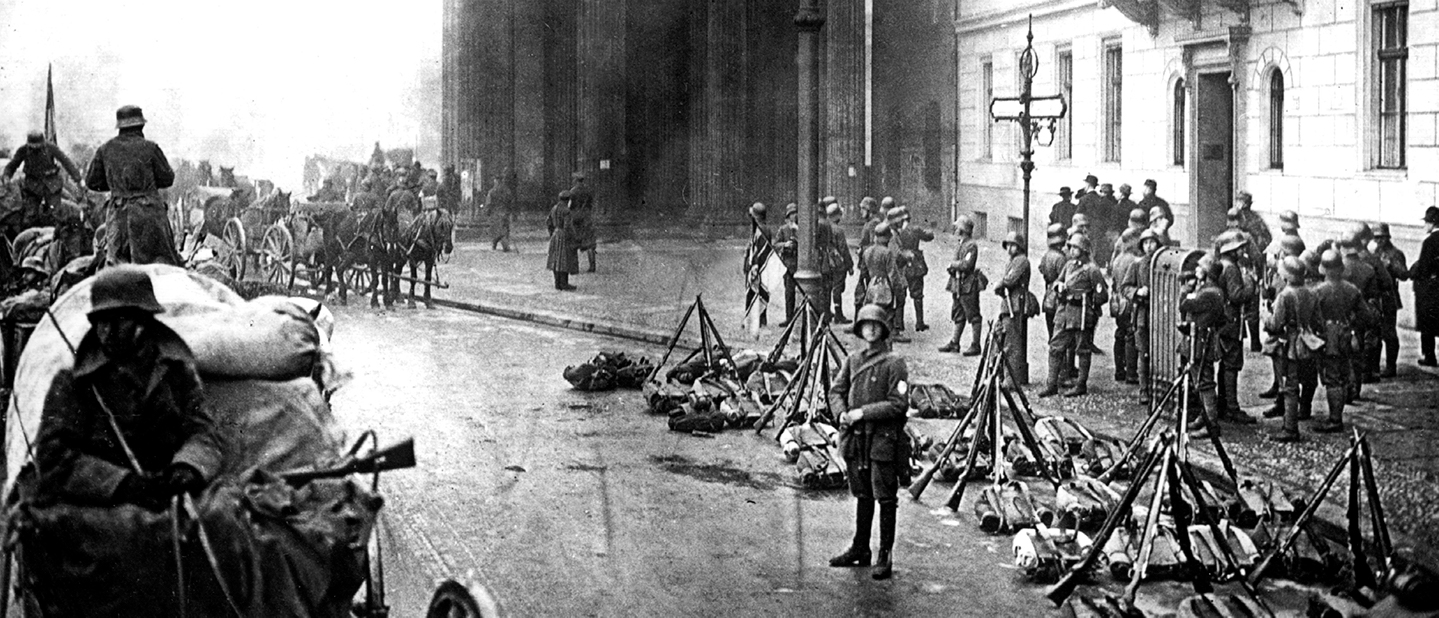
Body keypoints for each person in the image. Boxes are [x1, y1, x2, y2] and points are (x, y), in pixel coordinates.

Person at [35, 267, 222, 509]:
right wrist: (123, 484)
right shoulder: (73, 382)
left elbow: (203, 432)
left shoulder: (177, 372)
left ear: (143, 322)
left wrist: (187, 468)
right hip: (101, 501)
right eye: (102, 321)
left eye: (119, 320)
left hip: (168, 495)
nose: (108, 332)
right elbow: (53, 456)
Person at [828, 304, 910, 581]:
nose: (871, 329)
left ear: (884, 329)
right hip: (856, 439)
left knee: (885, 496)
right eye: (866, 324)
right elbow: (836, 390)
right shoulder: (852, 360)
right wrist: (841, 413)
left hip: (882, 440)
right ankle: (860, 548)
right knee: (862, 493)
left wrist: (862, 412)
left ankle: (884, 554)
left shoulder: (894, 363)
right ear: (860, 329)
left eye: (876, 324)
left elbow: (898, 404)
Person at [86, 106, 183, 267]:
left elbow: (92, 182)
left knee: (116, 268)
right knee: (166, 265)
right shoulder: (151, 148)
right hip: (149, 215)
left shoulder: (105, 149)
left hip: (119, 217)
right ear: (141, 126)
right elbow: (168, 179)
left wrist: (116, 187)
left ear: (119, 127)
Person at [1313, 249, 1375, 433]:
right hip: (1346, 334)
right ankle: (1340, 408)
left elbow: (1312, 317)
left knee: (1332, 379)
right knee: (1343, 371)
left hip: (1327, 337)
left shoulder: (1318, 291)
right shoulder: (1351, 289)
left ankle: (1334, 420)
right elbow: (1368, 317)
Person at [1040, 233, 1107, 397]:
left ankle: (1081, 385)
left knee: (1082, 350)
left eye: (1075, 247)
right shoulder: (1069, 266)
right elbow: (1057, 281)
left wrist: (1089, 301)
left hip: (1081, 314)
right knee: (1055, 346)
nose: (1072, 250)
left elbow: (1102, 295)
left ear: (1083, 249)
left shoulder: (1092, 270)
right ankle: (1051, 384)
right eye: (1071, 247)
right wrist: (1059, 287)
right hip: (1064, 312)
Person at [1264, 256, 1323, 443]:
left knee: (1290, 387)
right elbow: (1318, 322)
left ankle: (1290, 428)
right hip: (1306, 343)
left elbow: (1275, 324)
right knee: (1306, 380)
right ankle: (1303, 411)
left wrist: (1265, 316)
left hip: (1289, 345)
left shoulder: (1285, 295)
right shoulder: (1311, 293)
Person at [1181, 258, 1229, 439]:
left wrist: (1186, 289)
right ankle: (1205, 418)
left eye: (1200, 267)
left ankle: (1212, 425)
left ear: (1208, 272)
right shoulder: (1211, 291)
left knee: (1204, 383)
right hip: (1201, 339)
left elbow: (1184, 304)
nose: (1197, 269)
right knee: (1200, 381)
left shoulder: (1208, 293)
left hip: (1200, 342)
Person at [1213, 232, 1258, 424]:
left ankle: (1224, 405)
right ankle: (1231, 408)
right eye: (1240, 248)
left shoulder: (1222, 265)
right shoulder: (1231, 268)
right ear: (1230, 250)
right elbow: (1237, 295)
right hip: (1231, 323)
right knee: (1231, 364)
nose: (1243, 250)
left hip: (1224, 322)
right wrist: (1250, 282)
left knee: (1226, 364)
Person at [1120, 229, 1164, 405]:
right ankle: (1144, 389)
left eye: (1152, 242)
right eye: (1145, 243)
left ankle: (1160, 388)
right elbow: (1125, 287)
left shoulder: (1163, 264)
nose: (1149, 246)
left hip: (1161, 315)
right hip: (1143, 315)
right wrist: (1137, 291)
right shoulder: (1137, 265)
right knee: (1143, 353)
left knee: (1161, 352)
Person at [4, 131, 83, 220]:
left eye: (38, 146)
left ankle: (55, 231)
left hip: (51, 183)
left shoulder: (51, 147)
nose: (35, 149)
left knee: (55, 214)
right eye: (32, 147)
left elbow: (66, 161)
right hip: (33, 185)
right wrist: (7, 176)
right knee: (30, 215)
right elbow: (13, 164)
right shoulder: (23, 150)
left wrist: (78, 179)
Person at [1355, 223, 1396, 382]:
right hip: (1370, 303)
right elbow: (1386, 282)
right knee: (1371, 338)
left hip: (1352, 305)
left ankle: (1357, 375)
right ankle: (1370, 371)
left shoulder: (1345, 259)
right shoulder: (1373, 259)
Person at [1372, 223, 1410, 377]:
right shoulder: (1374, 252)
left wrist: (1391, 266)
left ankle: (1391, 366)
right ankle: (1374, 366)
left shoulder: (1395, 254)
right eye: (1376, 238)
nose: (1379, 241)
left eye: (1381, 237)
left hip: (1389, 296)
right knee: (1375, 333)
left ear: (1387, 237)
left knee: (1389, 333)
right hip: (1376, 296)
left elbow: (1404, 274)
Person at [940, 215, 981, 355]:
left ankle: (976, 345)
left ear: (963, 229)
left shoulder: (971, 246)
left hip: (968, 284)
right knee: (958, 312)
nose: (956, 229)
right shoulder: (961, 243)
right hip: (957, 283)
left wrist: (953, 265)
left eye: (958, 227)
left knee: (973, 314)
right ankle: (954, 343)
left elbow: (967, 264)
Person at [994, 232, 1032, 383]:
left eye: (1013, 245)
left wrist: (1001, 284)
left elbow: (1010, 280)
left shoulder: (1022, 261)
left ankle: (1011, 379)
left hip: (1016, 304)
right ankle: (1003, 375)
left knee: (1012, 343)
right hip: (1008, 303)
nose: (1009, 248)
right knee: (1004, 340)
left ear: (1019, 246)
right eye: (1008, 245)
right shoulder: (1012, 261)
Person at [1108, 228, 1142, 384]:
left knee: (1120, 334)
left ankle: (1119, 371)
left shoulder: (1118, 259)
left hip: (1117, 301)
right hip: (1129, 302)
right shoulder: (1134, 261)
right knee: (1130, 336)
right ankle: (1131, 373)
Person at [893, 206, 934, 333]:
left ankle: (899, 323)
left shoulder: (896, 232)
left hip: (901, 265)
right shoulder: (915, 229)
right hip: (915, 264)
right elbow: (929, 236)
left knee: (901, 295)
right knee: (917, 294)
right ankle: (919, 323)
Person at [858, 222, 903, 332]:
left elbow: (863, 273)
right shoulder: (887, 253)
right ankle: (890, 335)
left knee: (874, 313)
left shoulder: (867, 251)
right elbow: (893, 276)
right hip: (885, 286)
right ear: (887, 237)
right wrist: (899, 293)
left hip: (871, 286)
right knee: (887, 314)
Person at [1412, 207, 1439, 367]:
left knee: (1427, 323)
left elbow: (1423, 268)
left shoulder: (1429, 242)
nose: (1425, 225)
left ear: (1432, 223)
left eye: (1427, 222)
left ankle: (1429, 356)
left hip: (1430, 289)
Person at [744, 202, 774, 328]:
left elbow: (759, 249)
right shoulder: (764, 227)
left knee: (753, 291)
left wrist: (754, 265)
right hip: (762, 265)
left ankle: (752, 319)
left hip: (757, 265)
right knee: (762, 291)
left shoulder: (759, 229)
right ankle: (761, 319)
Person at [853, 197, 883, 320]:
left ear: (869, 209)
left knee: (865, 292)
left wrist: (862, 250)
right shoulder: (869, 223)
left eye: (863, 209)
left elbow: (874, 244)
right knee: (861, 292)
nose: (861, 211)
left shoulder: (874, 223)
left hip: (870, 263)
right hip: (866, 262)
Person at [826, 202, 854, 324]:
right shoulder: (838, 230)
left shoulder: (825, 227)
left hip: (827, 263)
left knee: (828, 288)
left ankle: (827, 312)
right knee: (838, 289)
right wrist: (850, 266)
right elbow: (843, 249)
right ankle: (838, 314)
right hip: (838, 264)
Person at [546, 190, 579, 291]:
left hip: (555, 235)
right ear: (568, 200)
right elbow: (568, 226)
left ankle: (557, 283)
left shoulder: (554, 208)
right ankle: (564, 284)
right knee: (564, 260)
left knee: (555, 260)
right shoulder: (566, 211)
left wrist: (552, 233)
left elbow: (548, 222)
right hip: (564, 236)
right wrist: (574, 237)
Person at [1039, 224, 1068, 338]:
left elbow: (1041, 268)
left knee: (1051, 330)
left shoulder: (1046, 255)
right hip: (1058, 296)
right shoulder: (1061, 258)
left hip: (1048, 294)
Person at [774, 204, 800, 323]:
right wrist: (785, 245)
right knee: (789, 292)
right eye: (792, 213)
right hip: (788, 265)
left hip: (800, 264)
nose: (794, 215)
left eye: (795, 213)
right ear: (788, 216)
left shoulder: (802, 228)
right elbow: (775, 245)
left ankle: (800, 317)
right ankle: (789, 318)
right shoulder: (783, 229)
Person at [568, 172, 597, 272]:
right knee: (590, 242)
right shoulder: (588, 190)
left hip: (576, 217)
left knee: (574, 242)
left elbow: (569, 206)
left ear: (575, 180)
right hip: (587, 217)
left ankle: (574, 267)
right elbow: (591, 203)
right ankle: (592, 266)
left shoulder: (572, 191)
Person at [486, 176, 514, 252]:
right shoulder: (507, 191)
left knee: (496, 230)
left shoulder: (492, 191)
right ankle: (505, 245)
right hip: (504, 212)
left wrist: (488, 212)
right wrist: (510, 211)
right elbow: (510, 202)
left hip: (495, 213)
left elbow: (489, 203)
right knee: (504, 229)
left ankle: (495, 244)